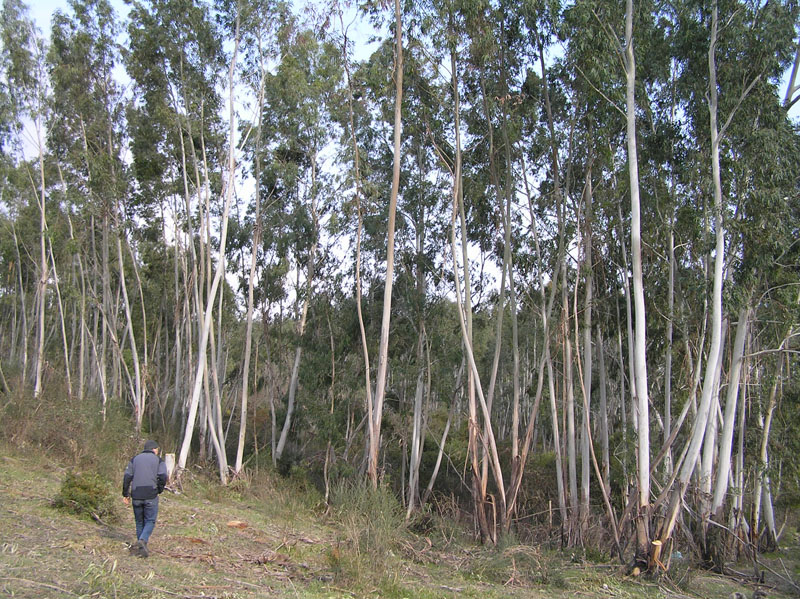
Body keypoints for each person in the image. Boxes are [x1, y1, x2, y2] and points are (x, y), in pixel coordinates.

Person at [122, 440, 168, 558]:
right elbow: (163, 476)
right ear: (155, 449)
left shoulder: (134, 459)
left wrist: (125, 493)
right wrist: (159, 489)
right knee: (150, 520)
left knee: (139, 521)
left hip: (136, 494)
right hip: (150, 494)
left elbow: (127, 476)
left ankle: (140, 548)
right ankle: (142, 540)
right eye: (157, 450)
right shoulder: (158, 460)